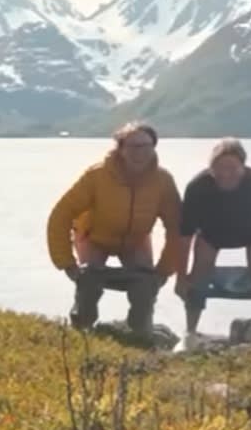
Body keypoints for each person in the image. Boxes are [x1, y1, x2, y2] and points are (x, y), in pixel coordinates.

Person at [45, 120, 182, 340]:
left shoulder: (163, 180)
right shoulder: (97, 176)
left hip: (136, 241)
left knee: (146, 283)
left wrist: (164, 270)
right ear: (120, 149)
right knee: (88, 278)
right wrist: (66, 263)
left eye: (147, 146)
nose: (141, 152)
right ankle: (82, 329)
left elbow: (177, 227)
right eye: (134, 146)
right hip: (93, 237)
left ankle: (141, 333)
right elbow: (61, 215)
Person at [173, 137, 251, 351]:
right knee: (198, 273)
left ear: (243, 167)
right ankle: (190, 333)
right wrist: (181, 278)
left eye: (232, 168)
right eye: (219, 168)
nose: (225, 174)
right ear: (211, 168)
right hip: (212, 233)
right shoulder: (198, 187)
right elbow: (185, 237)